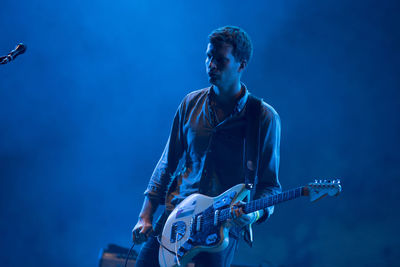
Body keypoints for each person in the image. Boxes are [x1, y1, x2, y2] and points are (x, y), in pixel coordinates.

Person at [132, 26, 282, 267]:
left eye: (220, 60)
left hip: (222, 226)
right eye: (208, 57)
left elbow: (270, 187)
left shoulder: (263, 117)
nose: (211, 65)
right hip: (176, 217)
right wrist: (145, 215)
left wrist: (254, 214)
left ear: (241, 65)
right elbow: (167, 163)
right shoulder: (191, 103)